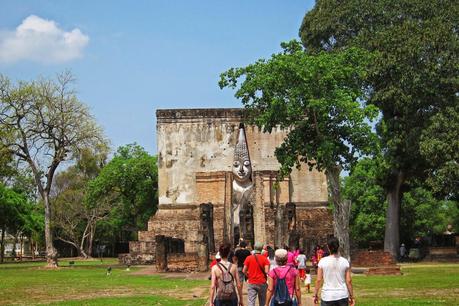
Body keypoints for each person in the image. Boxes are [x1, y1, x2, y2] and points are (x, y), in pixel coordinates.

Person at [313, 237, 354, 306]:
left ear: (328, 247)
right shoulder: (345, 261)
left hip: (327, 296)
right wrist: (351, 296)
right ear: (338, 247)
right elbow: (348, 281)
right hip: (342, 295)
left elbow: (319, 280)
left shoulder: (322, 261)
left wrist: (315, 295)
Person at [243, 242, 270, 306]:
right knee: (263, 301)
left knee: (251, 301)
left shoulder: (248, 258)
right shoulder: (265, 259)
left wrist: (248, 275)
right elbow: (266, 271)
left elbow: (244, 270)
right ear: (261, 249)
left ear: (254, 248)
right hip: (262, 282)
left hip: (252, 281)